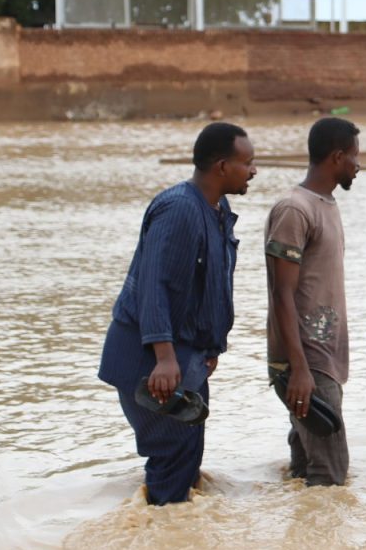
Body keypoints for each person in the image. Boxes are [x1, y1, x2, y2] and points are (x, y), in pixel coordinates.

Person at [98, 122, 257, 504]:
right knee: (170, 457)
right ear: (221, 166)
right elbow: (155, 286)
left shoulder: (218, 209)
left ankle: (176, 547)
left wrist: (210, 347)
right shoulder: (179, 209)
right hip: (151, 360)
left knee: (188, 456)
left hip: (186, 355)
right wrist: (165, 358)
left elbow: (211, 284)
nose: (253, 171)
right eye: (247, 163)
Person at [265, 117, 361, 487]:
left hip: (320, 361)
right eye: (354, 157)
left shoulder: (325, 205)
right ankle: (328, 543)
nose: (359, 165)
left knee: (307, 471)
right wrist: (300, 370)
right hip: (307, 363)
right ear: (337, 157)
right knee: (331, 473)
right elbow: (282, 293)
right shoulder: (295, 209)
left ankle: (305, 542)